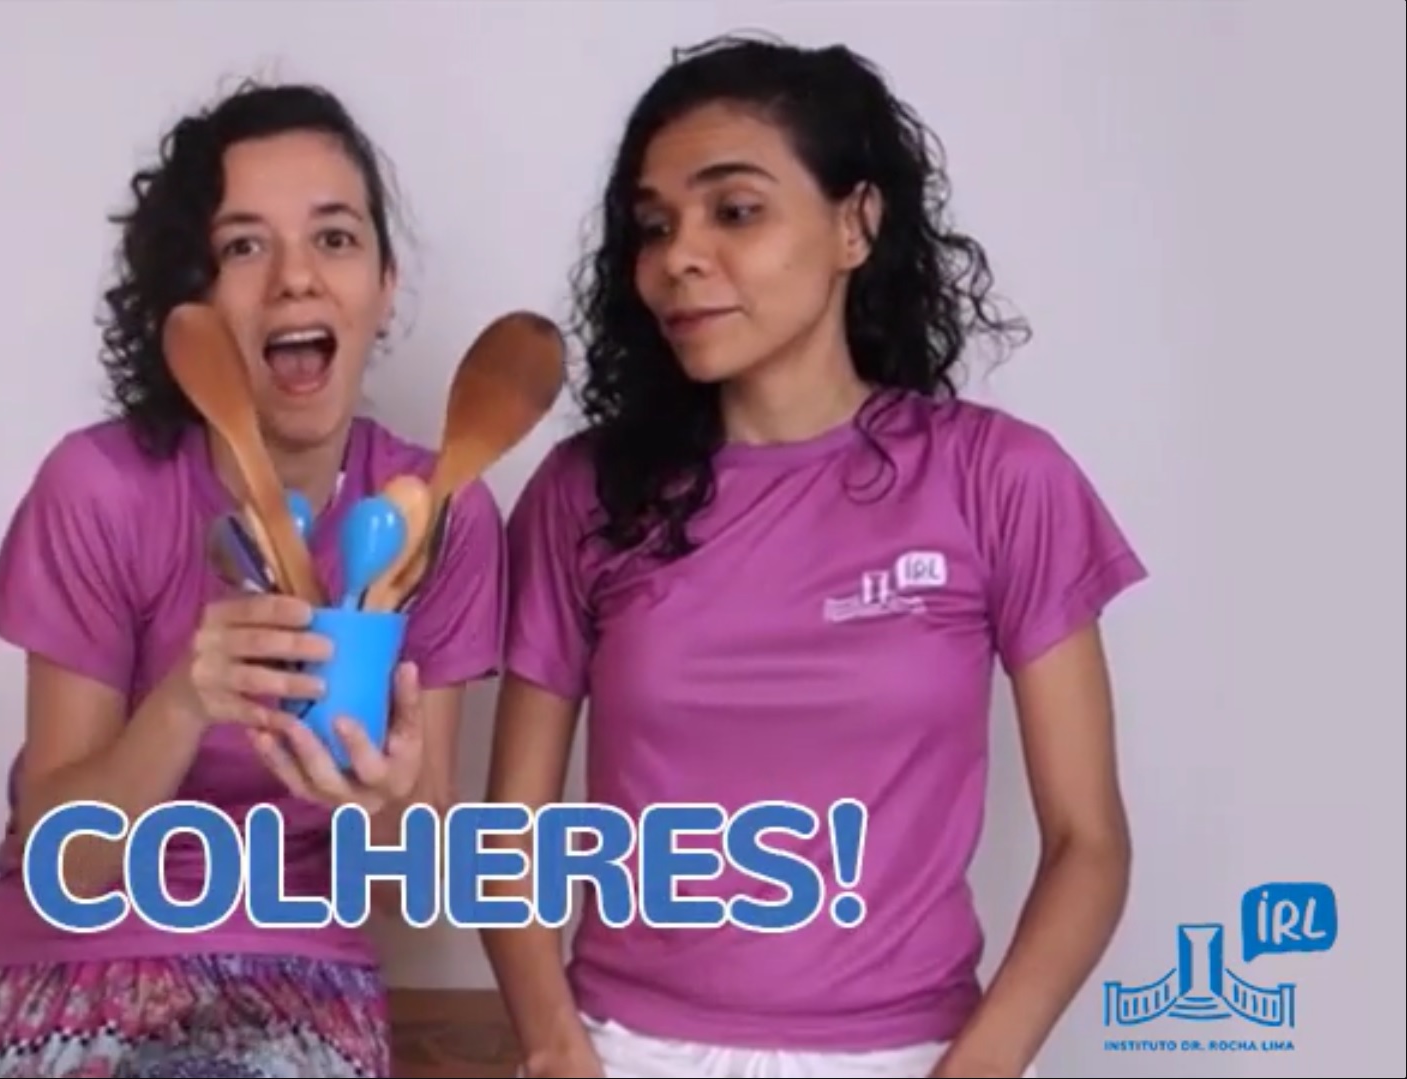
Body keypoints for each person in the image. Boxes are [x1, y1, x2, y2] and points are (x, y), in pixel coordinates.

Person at [483, 35, 1145, 1079]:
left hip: (916, 1053)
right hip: (623, 1047)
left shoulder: (1000, 478)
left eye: (735, 210)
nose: (679, 257)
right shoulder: (583, 492)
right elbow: (509, 833)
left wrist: (981, 1062)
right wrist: (556, 1044)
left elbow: (1088, 842)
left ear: (855, 223)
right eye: (654, 226)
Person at [0, 81, 505, 1078]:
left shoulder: (442, 514)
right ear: (194, 300)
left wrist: (378, 802)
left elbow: (411, 880)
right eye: (244, 246)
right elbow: (65, 856)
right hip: (73, 957)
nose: (295, 278)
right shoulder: (101, 487)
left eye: (335, 238)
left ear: (384, 282)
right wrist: (184, 701)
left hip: (306, 972)